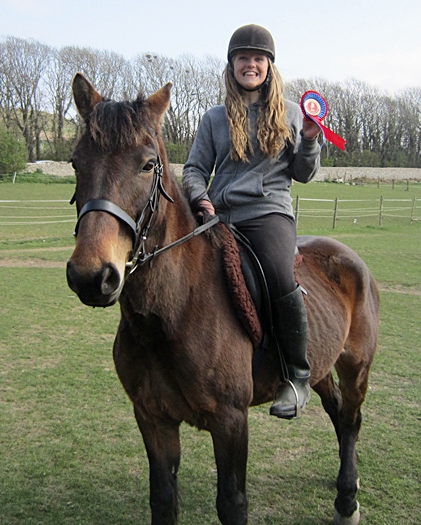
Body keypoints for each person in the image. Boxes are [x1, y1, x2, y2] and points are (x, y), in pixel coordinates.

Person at [182, 24, 322, 419]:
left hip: (268, 213)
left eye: (258, 58)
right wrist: (201, 198)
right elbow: (194, 169)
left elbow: (304, 173)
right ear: (231, 65)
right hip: (219, 215)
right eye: (243, 58)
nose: (251, 64)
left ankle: (295, 376)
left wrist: (310, 139)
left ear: (269, 66)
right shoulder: (213, 118)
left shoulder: (292, 113)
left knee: (278, 274)